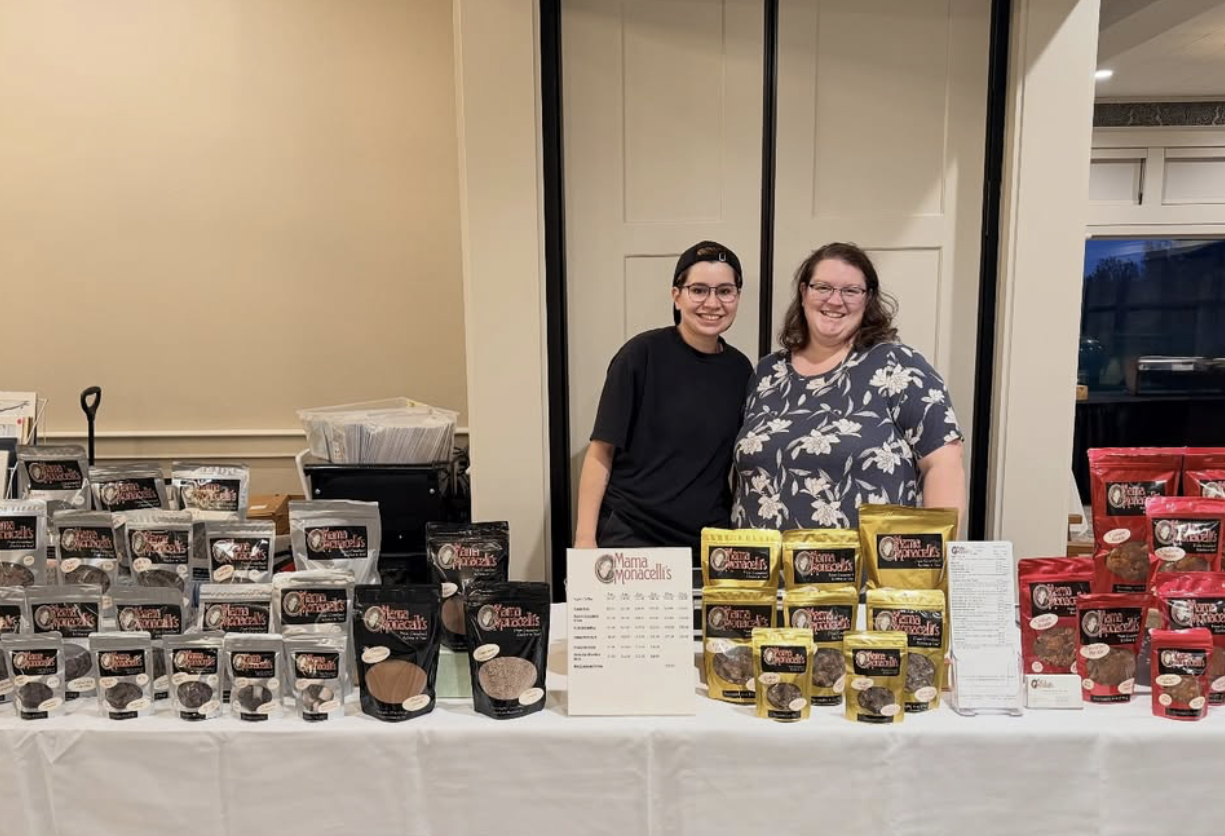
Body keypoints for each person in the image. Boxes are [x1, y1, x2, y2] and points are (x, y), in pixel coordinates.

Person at [732, 242, 965, 531]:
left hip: (868, 573)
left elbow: (944, 464)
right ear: (804, 293)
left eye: (851, 291)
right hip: (760, 571)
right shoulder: (766, 374)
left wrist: (933, 557)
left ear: (868, 299)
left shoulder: (900, 366)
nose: (835, 300)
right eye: (823, 288)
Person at [575, 241, 753, 556]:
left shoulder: (741, 370)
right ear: (676, 295)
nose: (712, 302)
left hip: (707, 543)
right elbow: (601, 451)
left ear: (737, 296)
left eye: (725, 291)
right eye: (698, 290)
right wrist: (585, 540)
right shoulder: (640, 355)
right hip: (633, 537)